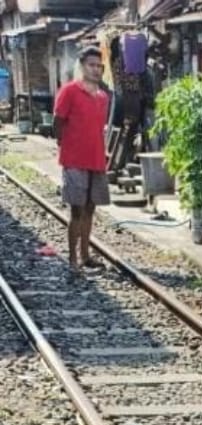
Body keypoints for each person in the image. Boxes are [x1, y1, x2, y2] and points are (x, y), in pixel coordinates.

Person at [54, 46, 111, 271]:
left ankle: (86, 255)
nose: (96, 70)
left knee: (90, 209)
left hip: (96, 159)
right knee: (76, 210)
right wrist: (64, 147)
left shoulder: (103, 97)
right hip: (74, 158)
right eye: (91, 65)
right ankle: (72, 259)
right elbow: (58, 123)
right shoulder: (69, 91)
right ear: (82, 67)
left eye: (99, 66)